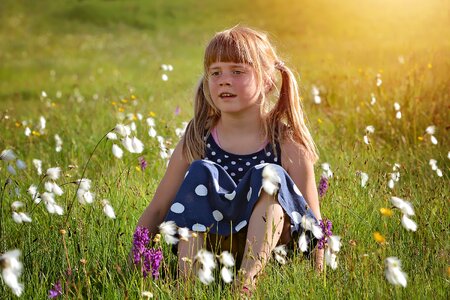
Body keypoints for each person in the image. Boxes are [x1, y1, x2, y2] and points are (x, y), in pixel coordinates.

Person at [135, 25, 324, 294]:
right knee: (201, 171)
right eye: (216, 73)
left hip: (269, 253)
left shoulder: (286, 142)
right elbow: (158, 207)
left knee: (269, 175)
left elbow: (312, 221)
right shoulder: (198, 139)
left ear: (268, 80)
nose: (224, 80)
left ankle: (246, 284)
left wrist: (320, 280)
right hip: (211, 249)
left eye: (237, 71)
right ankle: (186, 286)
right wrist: (136, 258)